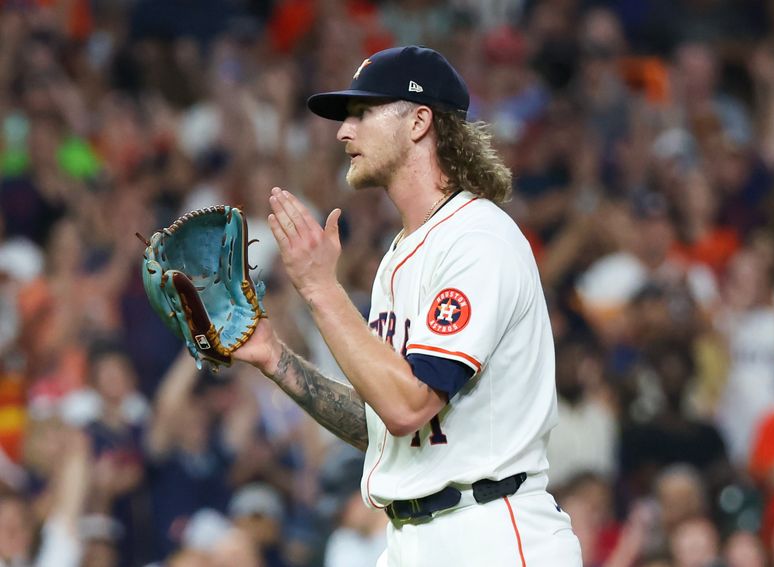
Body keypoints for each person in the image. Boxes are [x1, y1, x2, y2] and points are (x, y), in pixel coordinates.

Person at [233, 45, 582, 566]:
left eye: (361, 112)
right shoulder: (400, 255)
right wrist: (276, 359)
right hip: (413, 538)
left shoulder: (477, 239)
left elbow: (407, 407)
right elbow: (389, 425)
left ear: (419, 121)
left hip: (490, 534)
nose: (342, 132)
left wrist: (320, 288)